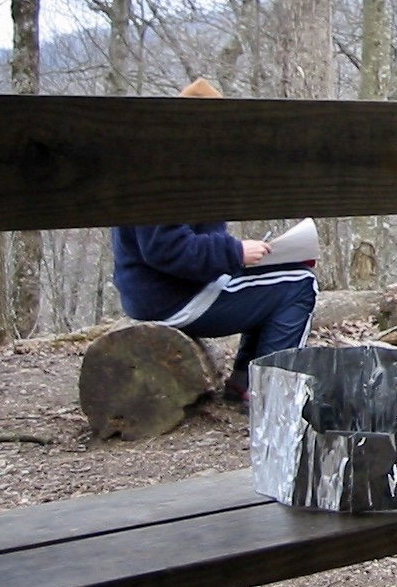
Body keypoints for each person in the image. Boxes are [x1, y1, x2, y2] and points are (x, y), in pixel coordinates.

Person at [109, 78, 318, 405]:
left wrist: (247, 254)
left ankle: (244, 382)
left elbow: (195, 239)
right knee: (301, 284)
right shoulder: (164, 169)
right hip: (170, 297)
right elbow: (166, 249)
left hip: (172, 289)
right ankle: (272, 396)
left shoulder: (181, 162)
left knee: (285, 271)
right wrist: (234, 251)